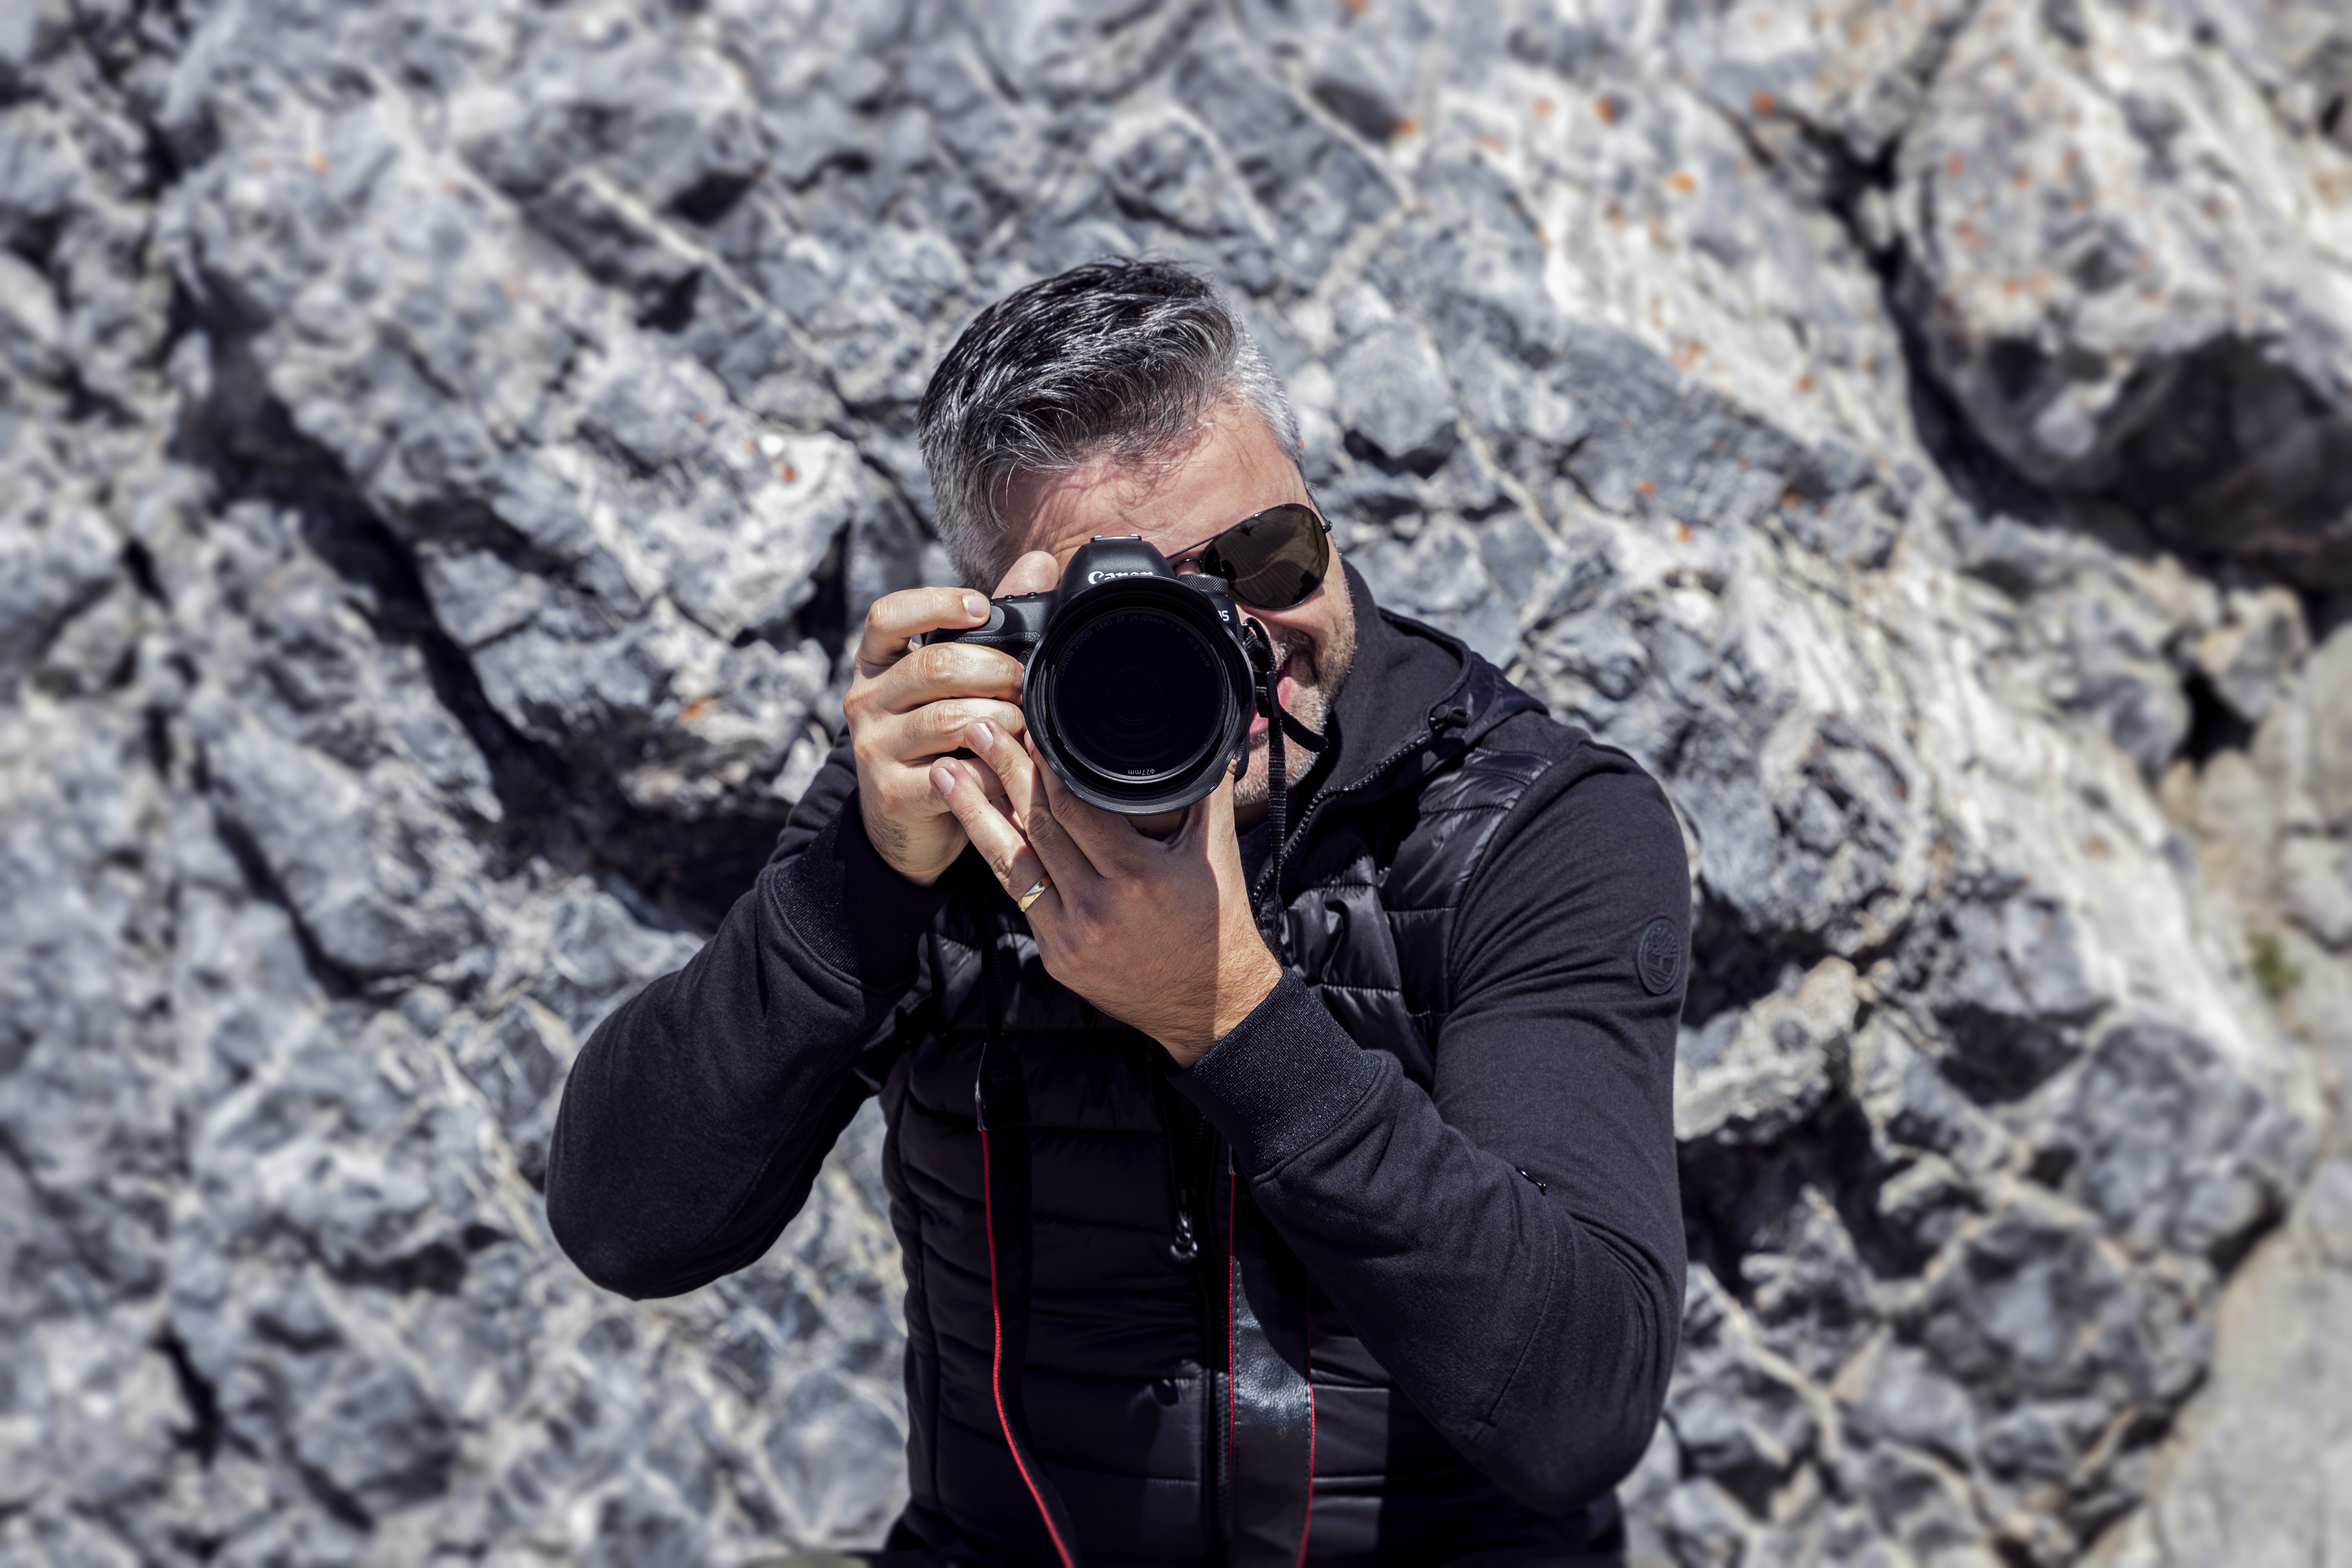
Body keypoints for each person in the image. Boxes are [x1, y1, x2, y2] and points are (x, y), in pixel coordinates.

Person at [547, 259, 1690, 1566]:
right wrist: (853, 884)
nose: (1243, 637)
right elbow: (625, 1226)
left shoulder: (1528, 824)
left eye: (1268, 558)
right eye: (1143, 604)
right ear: (1008, 623)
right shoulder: (956, 804)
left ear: (1327, 519)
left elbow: (1577, 1404)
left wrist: (1231, 1020)